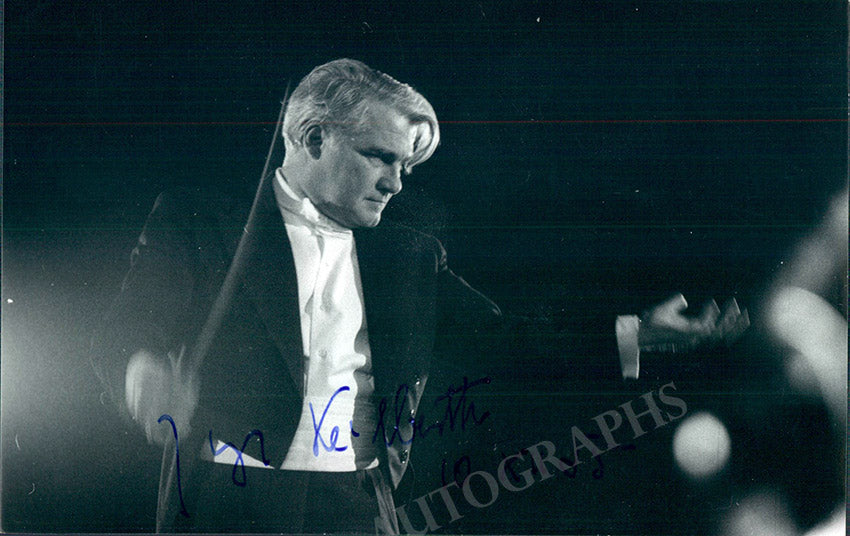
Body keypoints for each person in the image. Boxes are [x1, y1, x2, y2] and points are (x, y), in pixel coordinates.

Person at [90, 58, 748, 534]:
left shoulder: (408, 255)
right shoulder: (200, 223)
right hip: (229, 504)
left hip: (356, 507)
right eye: (380, 157)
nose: (395, 183)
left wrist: (637, 333)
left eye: (405, 166)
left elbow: (512, 338)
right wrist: (141, 374)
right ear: (313, 138)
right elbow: (126, 329)